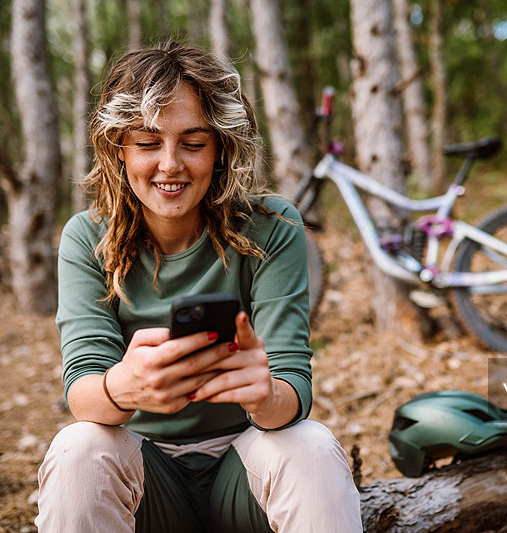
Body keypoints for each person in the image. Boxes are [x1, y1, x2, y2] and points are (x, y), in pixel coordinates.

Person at [35, 42, 362, 532]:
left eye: (193, 142)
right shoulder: (87, 237)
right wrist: (123, 386)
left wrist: (264, 395)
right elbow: (83, 394)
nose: (170, 165)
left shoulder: (273, 227)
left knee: (310, 446)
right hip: (146, 478)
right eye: (147, 143)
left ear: (221, 148)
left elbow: (292, 386)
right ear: (117, 148)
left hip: (245, 466)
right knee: (78, 448)